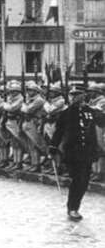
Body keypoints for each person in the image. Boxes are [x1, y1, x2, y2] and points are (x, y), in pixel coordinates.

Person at [50, 85, 105, 221]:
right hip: (72, 152)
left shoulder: (91, 111)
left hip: (87, 151)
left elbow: (101, 122)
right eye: (72, 95)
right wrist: (53, 147)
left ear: (84, 95)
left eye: (78, 94)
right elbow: (58, 132)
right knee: (77, 179)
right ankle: (72, 208)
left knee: (84, 181)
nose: (74, 97)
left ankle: (75, 206)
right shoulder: (66, 113)